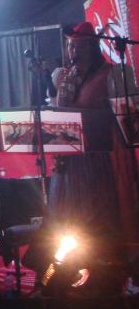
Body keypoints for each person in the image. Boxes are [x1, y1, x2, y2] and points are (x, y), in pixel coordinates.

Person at [27, 22, 136, 285]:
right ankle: (68, 271)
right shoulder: (61, 76)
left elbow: (127, 114)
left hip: (99, 157)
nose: (73, 50)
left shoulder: (114, 73)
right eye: (70, 45)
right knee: (68, 215)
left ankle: (106, 272)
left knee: (99, 213)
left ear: (91, 45)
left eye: (78, 45)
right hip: (71, 160)